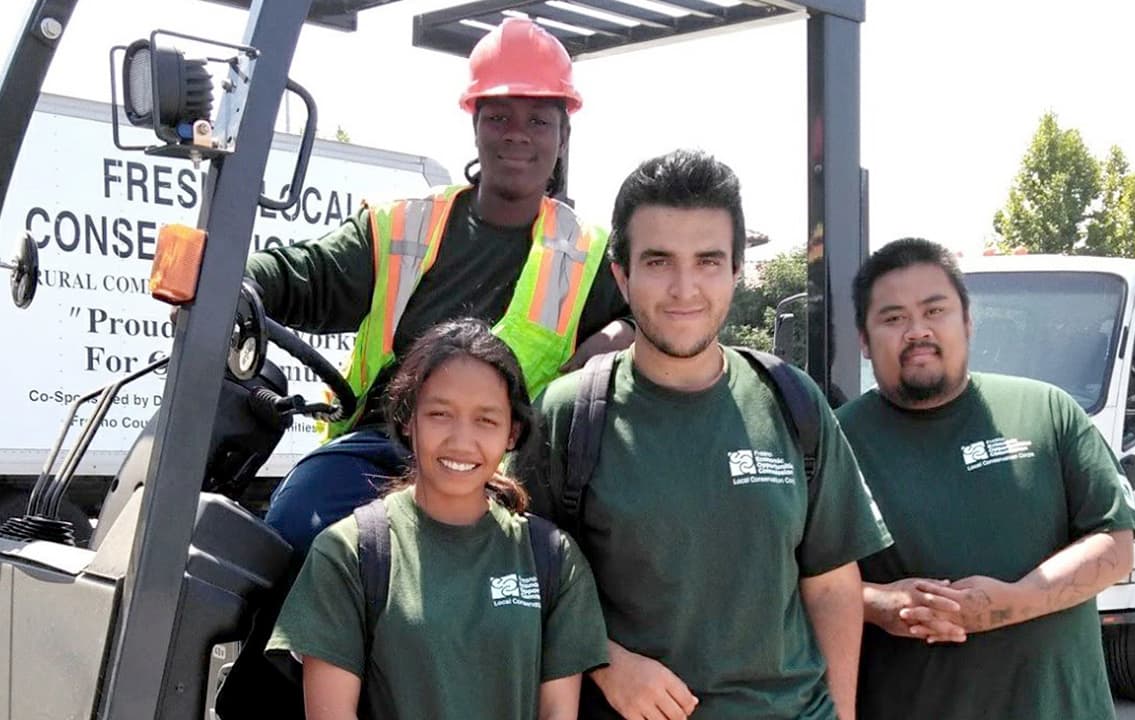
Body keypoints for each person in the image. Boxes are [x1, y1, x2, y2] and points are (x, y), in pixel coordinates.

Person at [515, 149, 892, 719]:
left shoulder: (792, 402)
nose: (684, 288)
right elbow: (517, 585)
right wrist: (603, 660)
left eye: (709, 261)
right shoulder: (568, 415)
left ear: (737, 270)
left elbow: (833, 584)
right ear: (622, 274)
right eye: (659, 261)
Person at [250, 17, 633, 559]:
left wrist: (612, 338)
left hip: (508, 467)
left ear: (562, 134)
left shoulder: (591, 253)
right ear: (475, 125)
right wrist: (234, 281)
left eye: (538, 121)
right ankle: (282, 648)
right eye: (498, 116)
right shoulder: (401, 228)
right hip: (385, 448)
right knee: (296, 525)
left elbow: (650, 322)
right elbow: (307, 275)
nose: (517, 134)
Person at [835, 237, 1135, 720]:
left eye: (934, 310)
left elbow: (1115, 547)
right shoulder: (834, 442)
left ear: (967, 321)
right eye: (893, 318)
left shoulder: (1047, 411)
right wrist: (878, 602)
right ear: (863, 338)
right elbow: (792, 584)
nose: (917, 331)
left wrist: (1012, 603)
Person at [266, 318, 609, 720]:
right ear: (409, 420)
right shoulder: (350, 553)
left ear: (512, 433)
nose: (461, 442)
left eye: (486, 420)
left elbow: (557, 713)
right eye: (440, 414)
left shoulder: (553, 559)